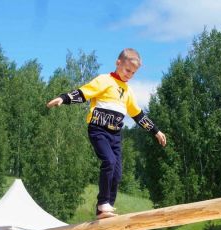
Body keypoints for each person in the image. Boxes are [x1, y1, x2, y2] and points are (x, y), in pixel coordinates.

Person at [46, 48, 167, 219]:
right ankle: (102, 203)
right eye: (127, 70)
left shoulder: (128, 91)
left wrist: (156, 130)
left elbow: (138, 115)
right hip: (98, 130)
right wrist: (63, 98)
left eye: (133, 73)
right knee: (109, 161)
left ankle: (106, 207)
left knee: (117, 173)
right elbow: (83, 93)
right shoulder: (104, 80)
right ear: (118, 63)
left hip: (115, 135)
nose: (129, 75)